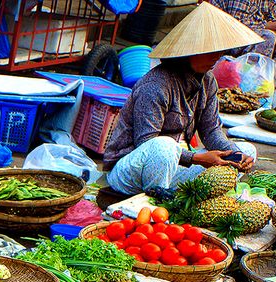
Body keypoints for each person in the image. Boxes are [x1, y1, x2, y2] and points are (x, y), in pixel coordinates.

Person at [104, 3, 263, 197]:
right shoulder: (156, 85)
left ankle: (181, 197)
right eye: (209, 51)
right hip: (131, 171)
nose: (217, 57)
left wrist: (235, 155)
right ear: (189, 52)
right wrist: (196, 158)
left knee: (246, 150)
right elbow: (146, 142)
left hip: (175, 167)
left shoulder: (208, 81)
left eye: (219, 51)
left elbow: (211, 130)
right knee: (165, 145)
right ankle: (157, 202)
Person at [206, 0, 276, 58]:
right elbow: (237, 24)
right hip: (220, 36)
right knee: (268, 37)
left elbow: (271, 19)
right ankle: (253, 74)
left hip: (247, 32)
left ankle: (275, 71)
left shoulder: (272, 1)